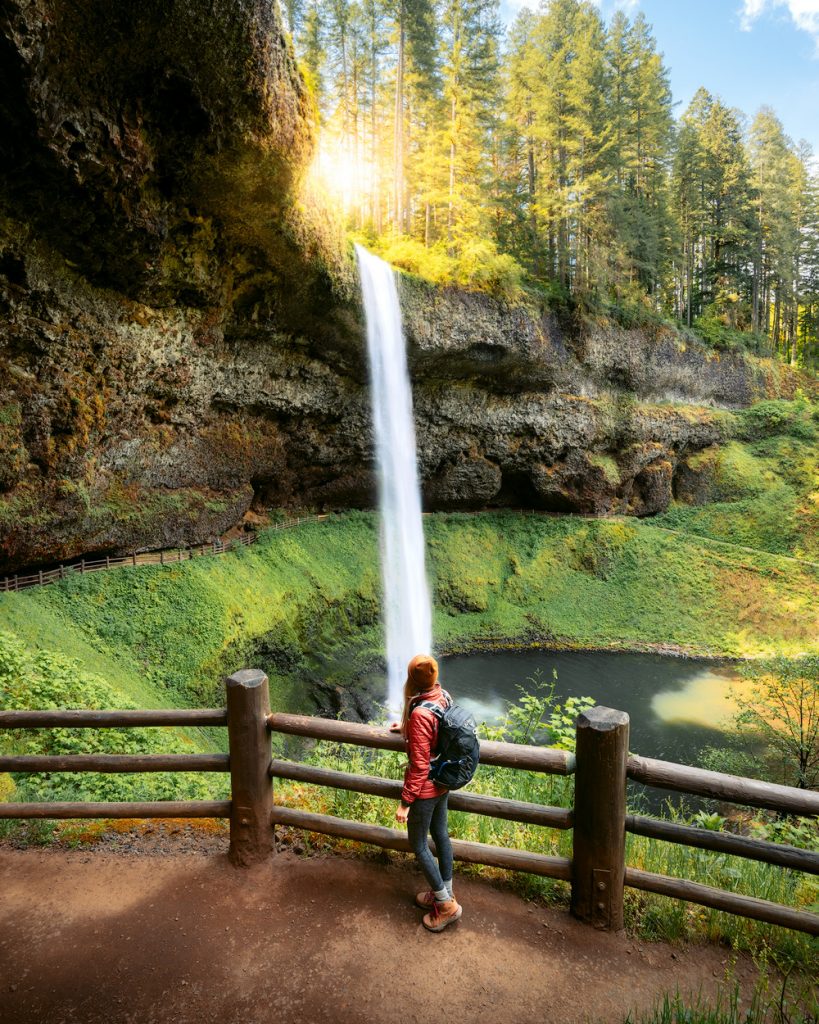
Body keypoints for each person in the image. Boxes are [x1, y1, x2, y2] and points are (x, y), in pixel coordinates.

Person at [390, 653, 462, 932]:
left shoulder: (420, 713)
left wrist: (405, 803)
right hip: (443, 780)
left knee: (419, 844)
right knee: (441, 835)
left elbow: (419, 766)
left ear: (412, 680)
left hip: (426, 789)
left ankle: (445, 906)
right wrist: (407, 729)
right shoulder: (442, 695)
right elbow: (434, 735)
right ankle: (445, 891)